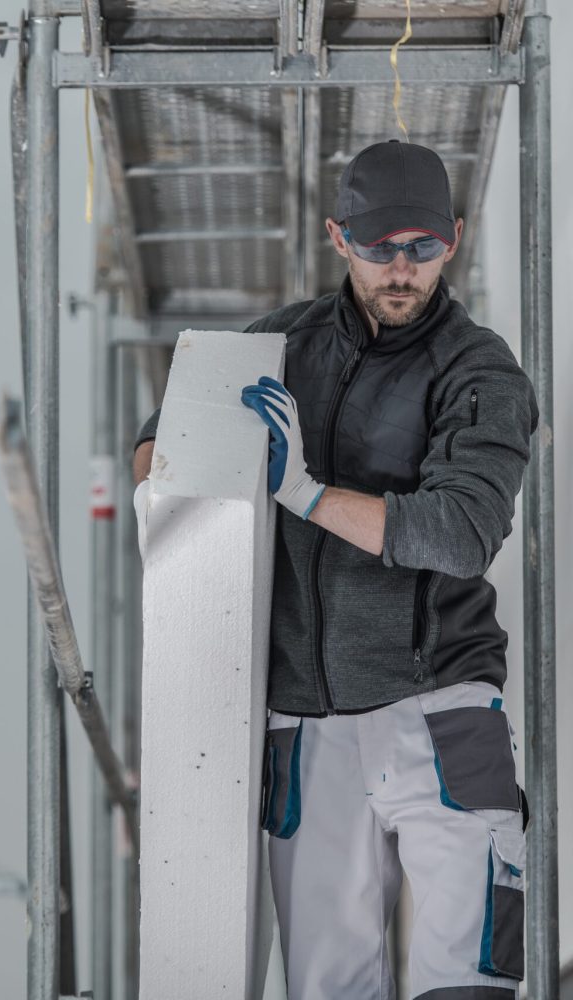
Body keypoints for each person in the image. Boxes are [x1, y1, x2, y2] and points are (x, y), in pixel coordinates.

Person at [132, 139, 537, 1000]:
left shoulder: (480, 370)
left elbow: (462, 533)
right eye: (380, 246)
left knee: (469, 981)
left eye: (423, 246)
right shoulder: (277, 345)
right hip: (309, 725)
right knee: (328, 986)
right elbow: (157, 442)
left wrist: (306, 494)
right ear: (338, 236)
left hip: (440, 707)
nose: (402, 268)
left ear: (454, 238)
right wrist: (176, 490)